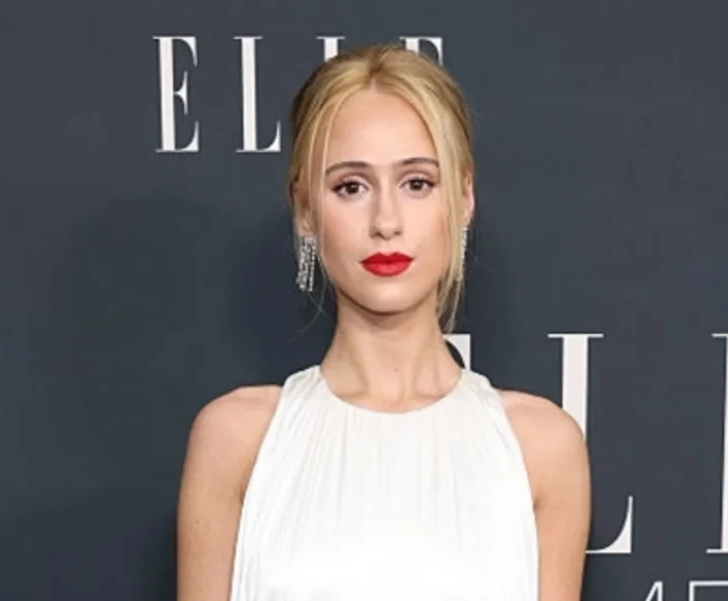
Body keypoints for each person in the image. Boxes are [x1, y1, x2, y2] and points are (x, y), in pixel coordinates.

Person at [176, 43, 591, 601]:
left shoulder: (541, 448)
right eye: (351, 187)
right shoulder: (237, 439)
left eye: (417, 183)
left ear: (463, 196)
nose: (386, 222)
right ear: (305, 209)